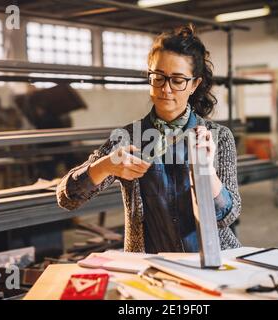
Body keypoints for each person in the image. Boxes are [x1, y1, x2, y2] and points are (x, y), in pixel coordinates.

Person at [56, 25, 241, 253]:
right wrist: (106, 166)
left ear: (194, 84)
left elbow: (227, 217)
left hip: (212, 262)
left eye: (178, 80)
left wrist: (207, 171)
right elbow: (67, 198)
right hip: (151, 268)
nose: (166, 88)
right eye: (159, 77)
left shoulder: (217, 138)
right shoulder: (128, 138)